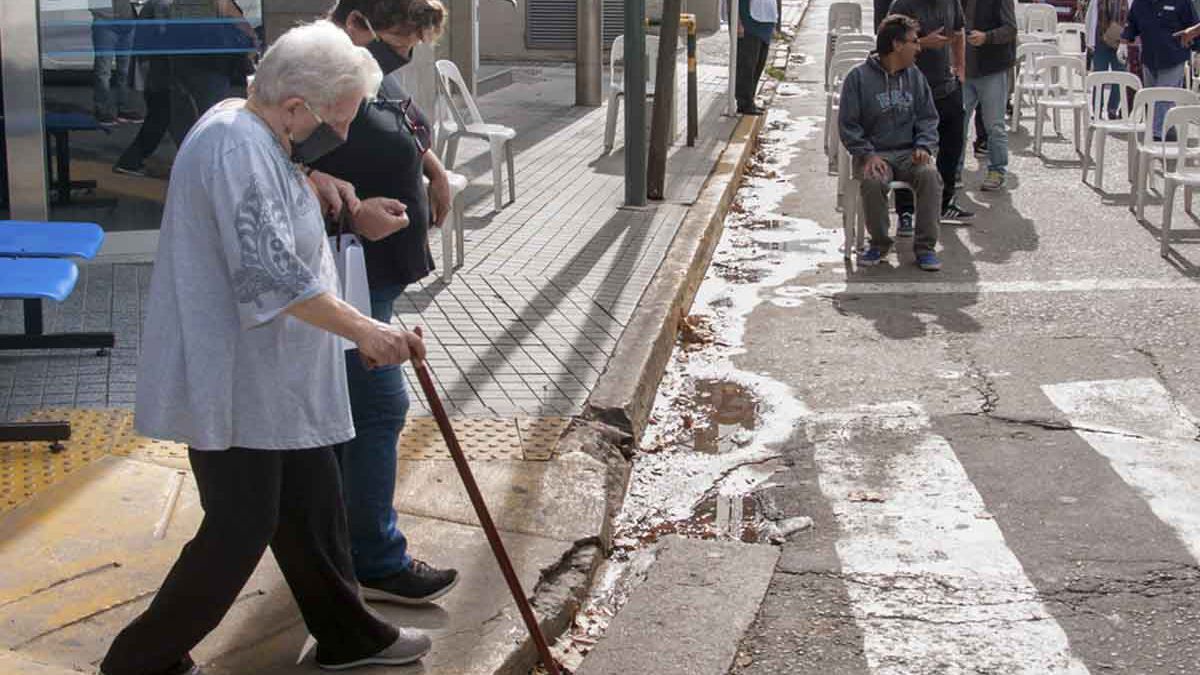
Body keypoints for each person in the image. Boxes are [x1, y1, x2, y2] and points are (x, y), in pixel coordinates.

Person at [100, 21, 433, 675]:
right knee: (241, 526)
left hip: (272, 381)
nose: (338, 136)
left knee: (311, 506)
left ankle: (350, 634)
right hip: (238, 384)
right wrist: (368, 330)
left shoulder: (252, 130)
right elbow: (274, 279)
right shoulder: (235, 145)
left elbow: (272, 205)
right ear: (295, 107)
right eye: (332, 123)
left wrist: (324, 191)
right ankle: (140, 659)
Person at [308, 0, 460, 605]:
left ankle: (344, 547)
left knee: (359, 414)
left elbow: (401, 118)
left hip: (372, 275)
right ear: (357, 23)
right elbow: (285, 168)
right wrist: (351, 209)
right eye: (399, 41)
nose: (406, 53)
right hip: (350, 278)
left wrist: (434, 168)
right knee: (376, 411)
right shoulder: (321, 76)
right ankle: (373, 559)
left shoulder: (361, 71)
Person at [839, 14, 944, 271]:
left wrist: (923, 146)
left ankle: (925, 248)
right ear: (897, 45)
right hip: (876, 154)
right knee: (873, 181)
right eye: (914, 42)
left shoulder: (915, 76)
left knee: (930, 175)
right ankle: (879, 244)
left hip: (909, 153)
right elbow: (848, 124)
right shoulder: (858, 78)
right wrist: (867, 154)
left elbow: (928, 117)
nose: (918, 48)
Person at [888, 0, 974, 230]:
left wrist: (960, 67)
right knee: (907, 150)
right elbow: (888, 44)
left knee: (953, 144)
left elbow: (958, 32)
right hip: (911, 89)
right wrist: (924, 43)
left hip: (946, 87)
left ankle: (945, 202)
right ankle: (905, 212)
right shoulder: (903, 4)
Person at [114, 0, 178, 177]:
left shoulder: (158, 4)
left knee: (166, 117)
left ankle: (132, 159)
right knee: (160, 117)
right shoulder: (162, 4)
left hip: (155, 68)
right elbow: (165, 33)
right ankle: (130, 160)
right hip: (157, 70)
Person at [1120, 0, 1200, 139]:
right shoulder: (1140, 3)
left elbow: (1194, 26)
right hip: (1149, 59)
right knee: (1151, 100)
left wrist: (1198, 52)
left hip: (1173, 58)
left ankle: (1157, 137)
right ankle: (1167, 132)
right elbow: (1132, 23)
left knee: (1163, 99)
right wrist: (1123, 42)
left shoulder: (1182, 2)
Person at [963, 0, 1016, 191]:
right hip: (963, 69)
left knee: (994, 125)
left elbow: (1010, 29)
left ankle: (997, 170)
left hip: (992, 69)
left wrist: (987, 37)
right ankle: (953, 171)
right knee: (957, 125)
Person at [91, 0, 141, 126]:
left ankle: (123, 108)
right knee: (103, 71)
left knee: (124, 71)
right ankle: (101, 109)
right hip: (106, 23)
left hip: (127, 24)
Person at [1086, 0, 1132, 119]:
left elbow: (1133, 19)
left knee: (1119, 77)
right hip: (1100, 41)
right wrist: (1090, 42)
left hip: (1121, 43)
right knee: (1099, 77)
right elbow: (1090, 19)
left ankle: (1112, 109)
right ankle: (1097, 109)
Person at [737, 0, 779, 114]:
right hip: (750, 21)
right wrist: (738, 22)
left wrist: (774, 23)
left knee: (759, 64)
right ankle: (744, 103)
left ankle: (750, 100)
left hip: (766, 21)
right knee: (748, 64)